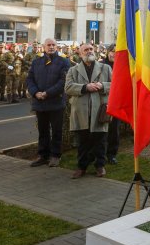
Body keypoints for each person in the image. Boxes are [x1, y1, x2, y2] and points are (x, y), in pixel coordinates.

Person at [65, 43, 112, 178]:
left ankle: (100, 166)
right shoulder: (73, 70)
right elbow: (68, 88)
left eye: (91, 49)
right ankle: (81, 167)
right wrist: (85, 87)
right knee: (82, 142)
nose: (89, 51)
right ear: (80, 54)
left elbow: (115, 85)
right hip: (81, 111)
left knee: (100, 140)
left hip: (100, 110)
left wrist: (102, 85)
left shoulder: (105, 68)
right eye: (85, 50)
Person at [26, 38, 70, 168]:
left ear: (57, 46)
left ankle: (56, 156)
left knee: (56, 131)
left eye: (53, 45)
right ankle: (43, 156)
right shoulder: (37, 61)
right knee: (43, 131)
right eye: (48, 45)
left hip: (55, 102)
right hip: (40, 102)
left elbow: (63, 81)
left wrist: (47, 93)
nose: (51, 47)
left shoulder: (63, 61)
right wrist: (35, 93)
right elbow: (30, 79)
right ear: (44, 47)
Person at [101, 46, 120, 164]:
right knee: (101, 130)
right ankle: (100, 153)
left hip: (116, 102)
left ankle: (112, 154)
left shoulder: (122, 65)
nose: (114, 54)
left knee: (114, 130)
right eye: (112, 51)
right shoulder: (100, 65)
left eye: (117, 52)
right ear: (108, 52)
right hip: (103, 102)